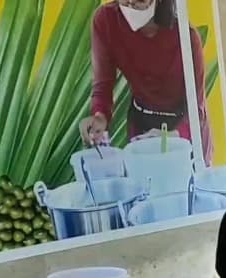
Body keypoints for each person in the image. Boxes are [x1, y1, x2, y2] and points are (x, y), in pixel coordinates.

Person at [81, 0, 214, 163]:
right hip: (142, 123)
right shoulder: (106, 21)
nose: (130, 6)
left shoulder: (186, 37)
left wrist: (169, 137)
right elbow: (103, 85)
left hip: (185, 131)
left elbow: (197, 111)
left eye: (139, 2)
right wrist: (99, 116)